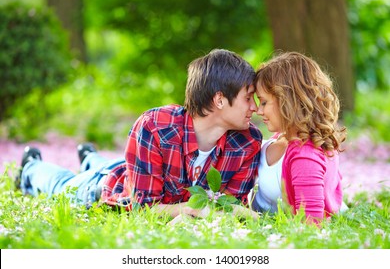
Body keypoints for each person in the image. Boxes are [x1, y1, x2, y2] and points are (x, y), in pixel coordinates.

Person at [18, 48, 262, 220]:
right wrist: (192, 210)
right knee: (63, 185)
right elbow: (142, 209)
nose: (255, 107)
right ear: (219, 99)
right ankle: (31, 167)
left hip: (135, 170)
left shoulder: (247, 141)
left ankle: (90, 157)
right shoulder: (155, 127)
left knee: (111, 165)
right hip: (113, 187)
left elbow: (229, 207)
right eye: (248, 98)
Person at [250, 51, 347, 224]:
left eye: (264, 102)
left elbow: (311, 225)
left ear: (288, 100)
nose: (259, 111)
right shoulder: (285, 137)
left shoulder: (305, 156)